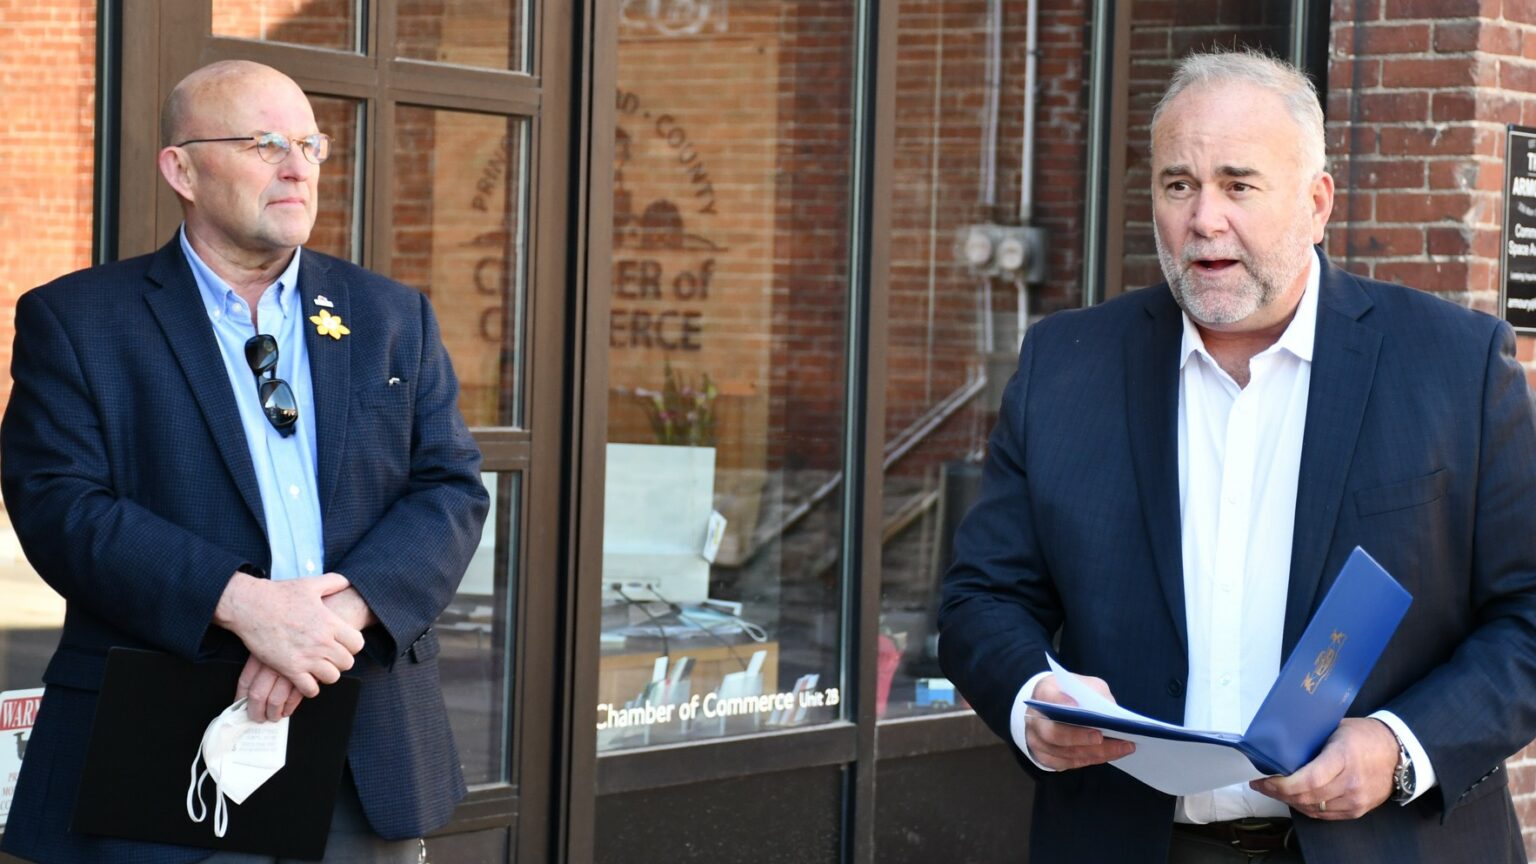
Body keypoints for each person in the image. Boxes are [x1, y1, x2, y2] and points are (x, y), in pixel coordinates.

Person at [938, 50, 1536, 864]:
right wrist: (1029, 697)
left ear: (1317, 202)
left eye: (1238, 184)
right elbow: (982, 598)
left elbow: (1528, 614)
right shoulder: (1066, 366)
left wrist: (1401, 748)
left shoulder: (1454, 365)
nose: (1204, 218)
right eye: (1178, 184)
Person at [0, 60, 489, 864]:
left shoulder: (391, 315)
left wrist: (334, 620)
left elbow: (451, 487)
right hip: (159, 746)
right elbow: (61, 506)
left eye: (308, 144)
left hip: (363, 741)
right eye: (264, 143)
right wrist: (242, 606)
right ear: (181, 168)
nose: (297, 166)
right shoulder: (79, 319)